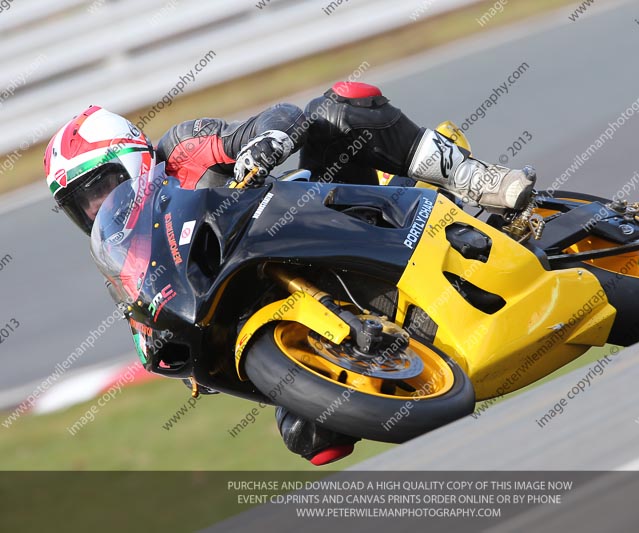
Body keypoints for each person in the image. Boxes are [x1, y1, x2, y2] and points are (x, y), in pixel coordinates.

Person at [44, 82, 536, 465]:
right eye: (80, 205)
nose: (97, 205)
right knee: (313, 438)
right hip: (276, 325)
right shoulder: (124, 264)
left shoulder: (182, 150)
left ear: (130, 157)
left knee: (341, 105)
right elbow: (160, 343)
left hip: (318, 224)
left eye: (102, 185)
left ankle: (478, 179)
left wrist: (263, 145)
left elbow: (278, 117)